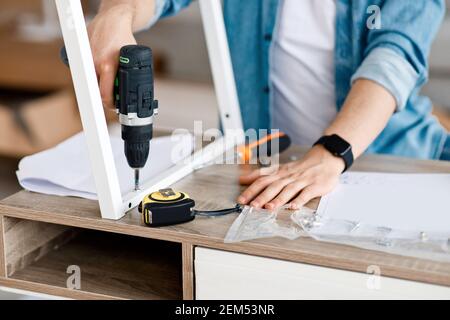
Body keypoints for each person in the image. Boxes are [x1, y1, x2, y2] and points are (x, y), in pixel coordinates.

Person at [88, 0, 450, 210]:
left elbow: (394, 59)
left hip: (395, 164)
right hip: (267, 168)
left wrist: (330, 153)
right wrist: (116, 15)